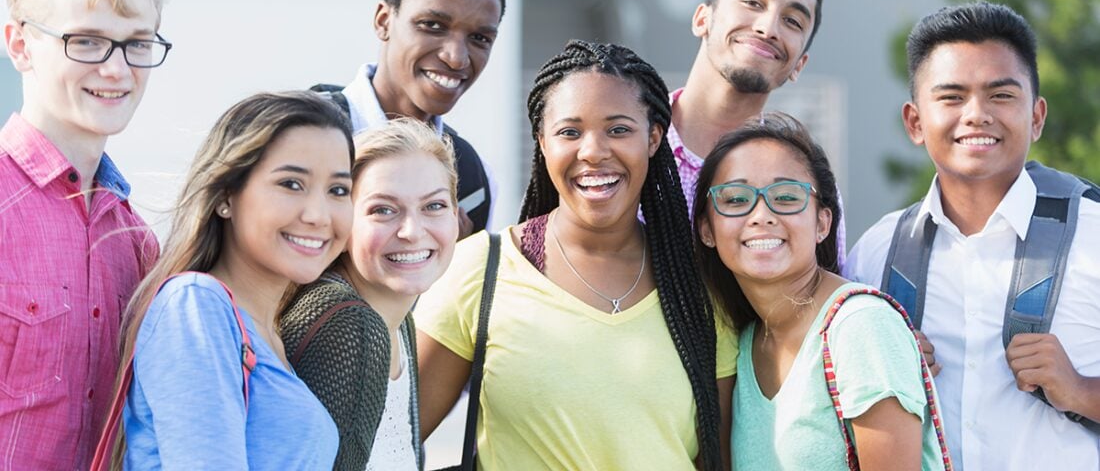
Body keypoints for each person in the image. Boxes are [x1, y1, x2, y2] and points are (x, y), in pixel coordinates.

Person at [416, 40, 734, 470]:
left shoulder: (700, 291)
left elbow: (721, 458)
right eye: (570, 132)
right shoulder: (480, 271)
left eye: (618, 129)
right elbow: (390, 439)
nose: (593, 151)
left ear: (654, 138)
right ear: (543, 142)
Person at [844, 1, 1100, 470]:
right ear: (915, 122)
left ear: (1037, 117)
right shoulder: (875, 256)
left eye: (1001, 95)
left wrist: (1082, 391)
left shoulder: (1095, 235)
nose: (977, 114)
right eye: (952, 97)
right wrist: (879, 366)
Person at [0, 0, 174, 469]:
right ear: (20, 45)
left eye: (136, 43)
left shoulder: (138, 241)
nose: (117, 69)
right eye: (88, 41)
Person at [107, 92, 352, 468]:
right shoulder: (196, 305)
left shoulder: (267, 332)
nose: (319, 215)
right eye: (291, 184)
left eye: (338, 190)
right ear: (226, 196)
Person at [693, 111, 949, 470]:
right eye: (735, 199)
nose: (761, 214)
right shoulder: (746, 339)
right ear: (707, 229)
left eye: (786, 196)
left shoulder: (861, 327)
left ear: (822, 223)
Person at [281, 118, 460, 470]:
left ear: (456, 215)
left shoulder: (400, 322)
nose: (412, 231)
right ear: (343, 224)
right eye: (383, 210)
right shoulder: (349, 325)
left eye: (434, 206)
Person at [316, 0, 507, 237]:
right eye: (433, 25)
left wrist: (452, 263)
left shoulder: (473, 181)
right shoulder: (301, 134)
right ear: (383, 21)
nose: (456, 58)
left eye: (479, 38)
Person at [672, 0, 845, 265]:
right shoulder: (628, 144)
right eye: (753, 3)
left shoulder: (808, 184)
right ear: (702, 19)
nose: (768, 28)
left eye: (792, 21)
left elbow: (821, 303)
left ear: (799, 65)